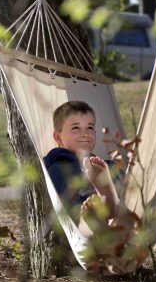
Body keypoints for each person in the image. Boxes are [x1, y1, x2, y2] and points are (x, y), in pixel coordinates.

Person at [43, 101, 122, 235]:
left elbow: (133, 196)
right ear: (58, 137)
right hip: (79, 225)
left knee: (115, 173)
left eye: (90, 128)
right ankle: (96, 217)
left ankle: (108, 201)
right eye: (76, 128)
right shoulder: (57, 168)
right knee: (81, 215)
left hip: (116, 223)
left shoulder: (105, 166)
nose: (85, 134)